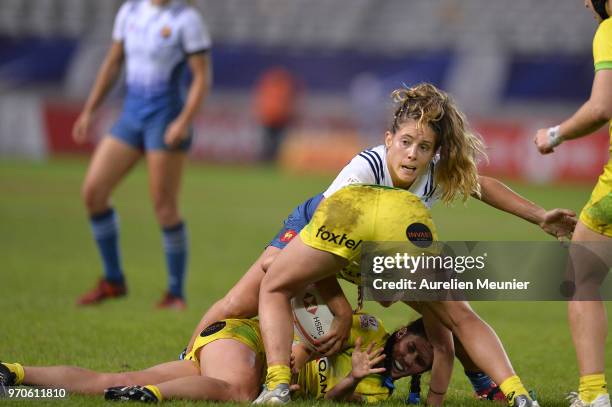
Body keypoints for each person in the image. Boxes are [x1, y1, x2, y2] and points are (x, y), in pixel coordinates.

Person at [185, 83, 573, 404]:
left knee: (456, 313)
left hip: (380, 249)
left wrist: (539, 217)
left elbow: (482, 186)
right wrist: (339, 310)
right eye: (405, 143)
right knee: (242, 299)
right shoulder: (362, 172)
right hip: (322, 230)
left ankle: (507, 390)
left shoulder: (433, 173)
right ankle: (191, 360)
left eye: (423, 148)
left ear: (434, 151)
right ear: (388, 139)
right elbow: (325, 244)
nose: (412, 154)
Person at [254, 185, 539, 407]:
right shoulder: (354, 235)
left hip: (376, 235)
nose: (389, 302)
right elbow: (274, 266)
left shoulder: (422, 285)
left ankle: (492, 386)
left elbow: (447, 345)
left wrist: (434, 402)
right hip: (320, 219)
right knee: (242, 300)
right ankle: (268, 375)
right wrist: (340, 311)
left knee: (458, 319)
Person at [72, 0, 212, 309]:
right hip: (131, 116)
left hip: (165, 118)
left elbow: (201, 77)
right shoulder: (129, 11)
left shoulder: (186, 19)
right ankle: (113, 280)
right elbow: (112, 63)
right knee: (93, 193)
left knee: (164, 207)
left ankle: (175, 293)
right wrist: (89, 110)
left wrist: (184, 120)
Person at [0, 314, 433, 403]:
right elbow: (308, 321)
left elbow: (336, 401)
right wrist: (297, 360)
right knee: (241, 392)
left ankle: (15, 373)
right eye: (412, 347)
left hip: (226, 351)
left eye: (421, 363)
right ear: (402, 333)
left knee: (111, 377)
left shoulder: (380, 390)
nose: (411, 360)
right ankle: (150, 394)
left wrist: (354, 378)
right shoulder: (369, 328)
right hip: (245, 338)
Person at [533, 1, 612, 406]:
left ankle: (594, 394)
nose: (586, 2)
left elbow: (601, 108)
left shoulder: (609, 30)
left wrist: (555, 134)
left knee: (582, 278)